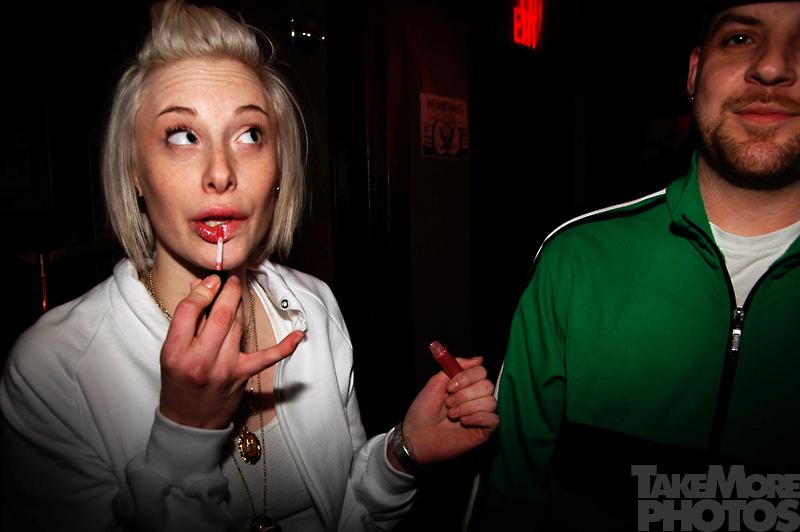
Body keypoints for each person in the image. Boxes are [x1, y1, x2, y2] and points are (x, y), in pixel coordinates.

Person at [0, 1, 499, 531]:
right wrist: (185, 434)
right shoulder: (54, 368)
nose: (220, 172)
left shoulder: (314, 307)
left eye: (250, 135)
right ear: (135, 174)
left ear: (278, 169)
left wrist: (403, 452)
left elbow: (347, 514)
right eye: (182, 135)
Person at [467, 1, 800, 530]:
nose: (773, 66)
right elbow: (509, 497)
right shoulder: (575, 262)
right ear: (694, 72)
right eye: (740, 38)